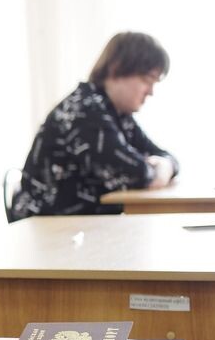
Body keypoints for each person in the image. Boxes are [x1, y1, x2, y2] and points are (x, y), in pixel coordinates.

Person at [11, 32, 178, 220]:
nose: (151, 91)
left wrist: (165, 165)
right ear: (117, 68)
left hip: (79, 226)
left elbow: (165, 157)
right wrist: (160, 169)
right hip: (45, 226)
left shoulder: (116, 114)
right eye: (147, 80)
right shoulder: (84, 111)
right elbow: (137, 174)